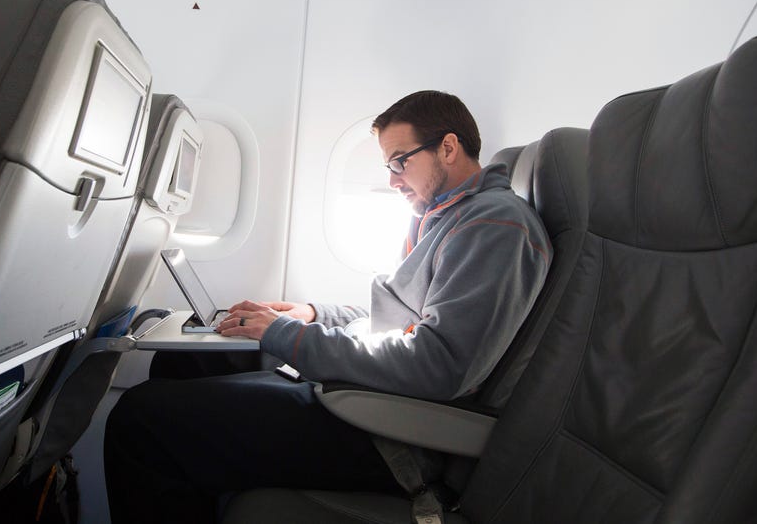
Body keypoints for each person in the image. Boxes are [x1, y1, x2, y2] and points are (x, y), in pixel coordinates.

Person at [104, 90, 551, 523]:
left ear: (448, 148)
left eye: (400, 162)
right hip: (370, 399)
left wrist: (287, 336)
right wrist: (314, 316)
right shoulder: (445, 217)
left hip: (393, 434)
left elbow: (440, 365)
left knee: (140, 422)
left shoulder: (496, 229)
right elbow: (398, 324)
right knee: (185, 364)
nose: (393, 180)